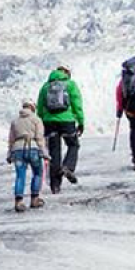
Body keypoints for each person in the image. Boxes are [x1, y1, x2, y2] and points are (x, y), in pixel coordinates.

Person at [36, 66, 85, 194]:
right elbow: (77, 105)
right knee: (73, 144)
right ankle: (68, 167)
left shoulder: (45, 87)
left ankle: (55, 186)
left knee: (54, 153)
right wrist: (81, 122)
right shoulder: (70, 85)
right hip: (67, 121)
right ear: (66, 73)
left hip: (49, 123)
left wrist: (42, 121)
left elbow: (40, 108)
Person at [7, 101, 47, 211]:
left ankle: (18, 202)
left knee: (20, 175)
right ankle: (34, 199)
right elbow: (39, 137)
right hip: (33, 148)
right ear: (33, 107)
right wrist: (44, 152)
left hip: (18, 150)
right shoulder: (36, 119)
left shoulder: (15, 121)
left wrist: (9, 154)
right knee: (38, 173)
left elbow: (11, 140)